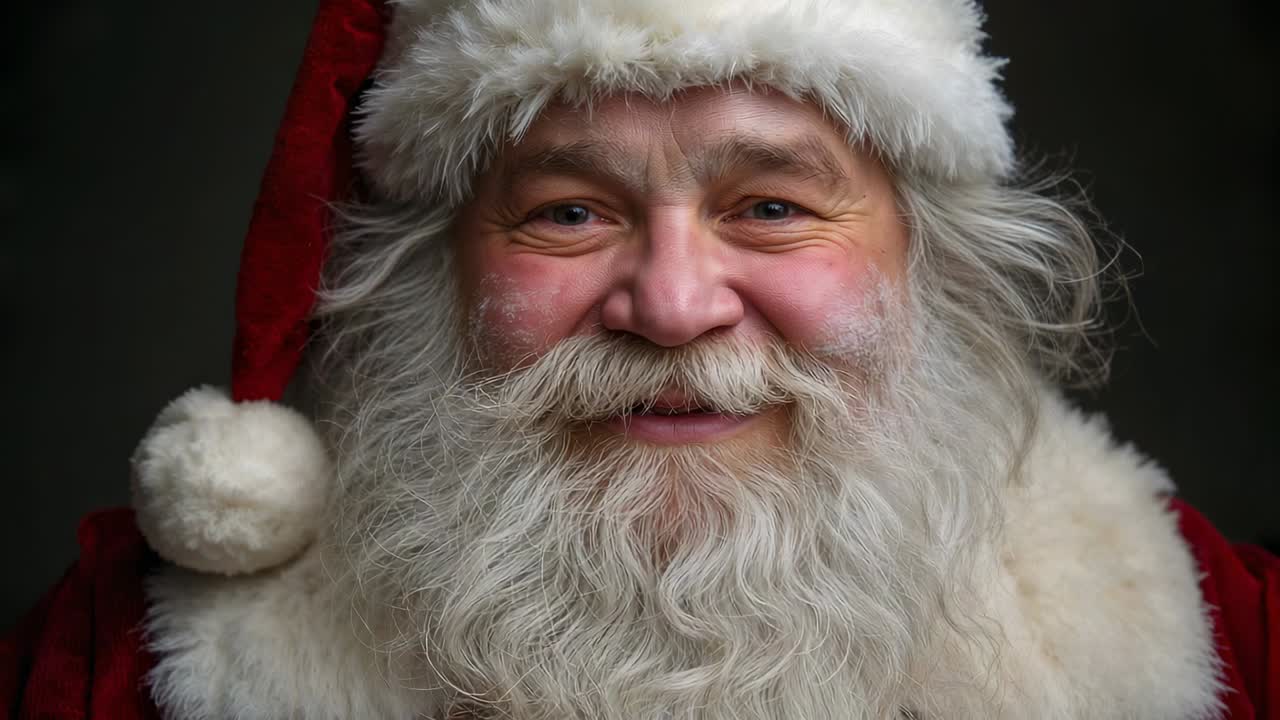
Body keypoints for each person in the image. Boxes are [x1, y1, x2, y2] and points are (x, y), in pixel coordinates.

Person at [3, 0, 1276, 718]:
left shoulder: (1216, 638)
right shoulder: (121, 667)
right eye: (567, 211)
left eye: (772, 207)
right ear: (434, 275)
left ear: (926, 264)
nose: (670, 306)